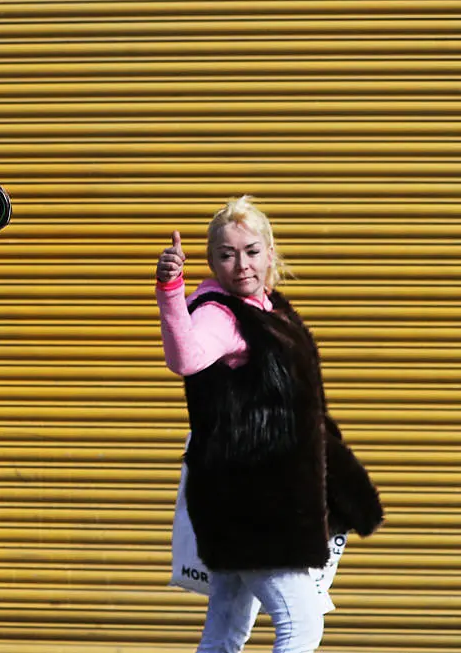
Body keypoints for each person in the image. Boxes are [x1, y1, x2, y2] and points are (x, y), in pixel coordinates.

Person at [154, 196, 384, 653]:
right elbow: (187, 357)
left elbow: (304, 412)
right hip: (256, 508)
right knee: (301, 624)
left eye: (251, 251)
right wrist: (171, 291)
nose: (241, 265)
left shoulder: (269, 308)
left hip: (246, 502)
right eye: (226, 254)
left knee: (225, 630)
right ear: (212, 260)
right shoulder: (219, 315)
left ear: (270, 252)